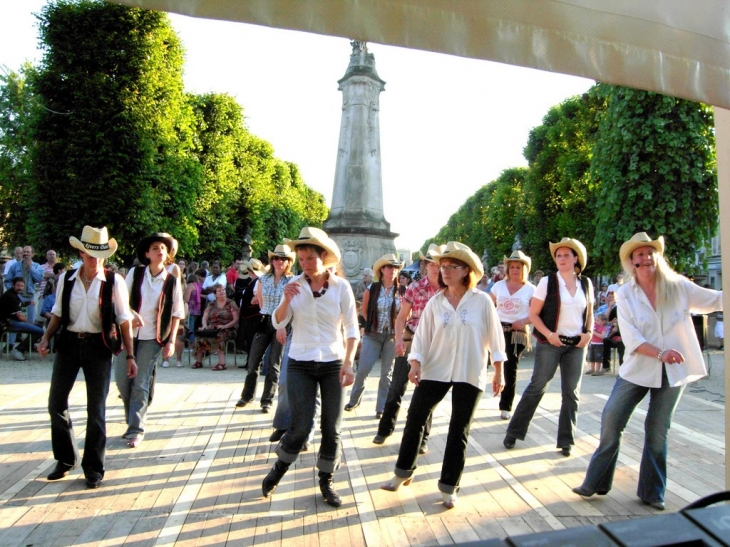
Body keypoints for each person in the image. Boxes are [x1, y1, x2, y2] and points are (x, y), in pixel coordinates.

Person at [572, 232, 722, 510]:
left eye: (650, 252)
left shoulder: (678, 286)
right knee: (612, 420)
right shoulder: (626, 294)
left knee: (657, 430)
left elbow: (716, 301)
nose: (646, 256)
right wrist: (661, 353)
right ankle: (596, 482)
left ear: (657, 257)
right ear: (632, 262)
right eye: (640, 253)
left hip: (674, 372)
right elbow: (632, 338)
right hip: (638, 369)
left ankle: (653, 492)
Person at [381, 241, 505, 508]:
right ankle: (402, 472)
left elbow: (496, 338)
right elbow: (423, 337)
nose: (444, 271)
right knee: (415, 417)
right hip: (435, 368)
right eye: (443, 266)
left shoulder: (482, 301)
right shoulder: (435, 303)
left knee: (458, 429)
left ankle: (449, 487)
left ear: (466, 270)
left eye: (452, 267)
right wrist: (415, 363)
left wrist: (499, 371)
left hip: (469, 370)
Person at [262, 227, 359, 508]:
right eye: (301, 258)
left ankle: (326, 481)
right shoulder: (293, 285)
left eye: (310, 258)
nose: (304, 263)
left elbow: (352, 328)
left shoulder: (341, 287)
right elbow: (278, 322)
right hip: (300, 362)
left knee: (332, 427)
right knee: (300, 426)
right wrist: (288, 299)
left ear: (324, 257)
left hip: (333, 362)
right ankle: (278, 469)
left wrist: (349, 362)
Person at [37, 225, 136, 489]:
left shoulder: (114, 282)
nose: (94, 259)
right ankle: (65, 459)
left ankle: (93, 468)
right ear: (81, 253)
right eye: (90, 253)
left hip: (98, 347)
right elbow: (57, 313)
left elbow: (125, 321)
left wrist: (130, 356)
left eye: (99, 254)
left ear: (105, 256)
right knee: (55, 403)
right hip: (69, 343)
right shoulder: (66, 279)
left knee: (96, 409)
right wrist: (46, 338)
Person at [504, 237, 594, 456]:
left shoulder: (586, 283)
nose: (561, 258)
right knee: (537, 386)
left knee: (571, 392)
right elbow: (533, 314)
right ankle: (514, 431)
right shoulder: (547, 282)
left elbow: (589, 312)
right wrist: (549, 335)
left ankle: (566, 440)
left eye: (566, 255)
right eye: (558, 255)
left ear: (576, 258)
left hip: (576, 344)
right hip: (551, 342)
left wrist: (588, 333)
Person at [115, 233, 184, 448]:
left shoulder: (172, 281)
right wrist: (131, 313)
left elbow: (176, 313)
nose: (159, 250)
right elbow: (120, 301)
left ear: (167, 254)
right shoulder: (135, 274)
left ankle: (136, 428)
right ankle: (134, 417)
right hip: (127, 335)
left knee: (140, 381)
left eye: (163, 248)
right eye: (155, 248)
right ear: (147, 254)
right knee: (122, 380)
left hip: (152, 338)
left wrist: (171, 341)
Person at [373, 244, 443, 449]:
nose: (435, 268)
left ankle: (423, 439)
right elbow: (402, 316)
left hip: (435, 344)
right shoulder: (415, 287)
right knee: (396, 388)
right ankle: (384, 429)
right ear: (425, 265)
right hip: (412, 338)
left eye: (439, 264)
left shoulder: (447, 289)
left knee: (426, 394)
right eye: (432, 263)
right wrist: (398, 340)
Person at [237, 244, 295, 412]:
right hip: (264, 320)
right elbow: (261, 303)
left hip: (282, 323)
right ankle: (247, 396)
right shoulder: (263, 279)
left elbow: (291, 306)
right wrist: (266, 315)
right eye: (276, 258)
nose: (279, 261)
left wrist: (282, 325)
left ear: (289, 261)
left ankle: (267, 400)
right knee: (253, 360)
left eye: (283, 258)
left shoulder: (291, 280)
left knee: (273, 364)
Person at [345, 253, 403, 417]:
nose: (392, 270)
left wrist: (399, 332)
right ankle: (354, 399)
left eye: (395, 267)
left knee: (386, 373)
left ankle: (381, 407)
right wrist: (370, 325)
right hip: (373, 334)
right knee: (363, 368)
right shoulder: (373, 288)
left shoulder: (402, 290)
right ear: (382, 270)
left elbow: (405, 313)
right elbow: (364, 311)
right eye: (389, 267)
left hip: (391, 336)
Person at [489, 250, 536, 420]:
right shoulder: (498, 286)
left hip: (517, 333)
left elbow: (537, 313)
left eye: (518, 267)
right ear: (507, 269)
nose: (515, 270)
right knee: (488, 361)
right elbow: (487, 304)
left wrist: (524, 321)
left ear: (524, 270)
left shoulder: (531, 289)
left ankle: (506, 405)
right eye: (512, 267)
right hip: (497, 329)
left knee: (510, 367)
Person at [192, 284, 239, 369]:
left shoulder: (231, 303)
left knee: (219, 336)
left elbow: (236, 319)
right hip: (212, 327)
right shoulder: (211, 304)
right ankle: (198, 361)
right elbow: (204, 317)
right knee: (199, 336)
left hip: (228, 328)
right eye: (219, 291)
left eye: (223, 290)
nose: (222, 292)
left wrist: (225, 326)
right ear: (215, 294)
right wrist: (204, 326)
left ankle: (222, 363)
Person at [0, 277, 46, 360]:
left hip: (10, 321)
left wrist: (28, 302)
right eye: (18, 285)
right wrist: (31, 323)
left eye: (22, 286)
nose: (20, 288)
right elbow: (20, 316)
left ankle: (25, 347)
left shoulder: (13, 294)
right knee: (40, 330)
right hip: (8, 323)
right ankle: (19, 349)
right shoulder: (11, 296)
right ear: (13, 285)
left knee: (38, 328)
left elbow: (19, 305)